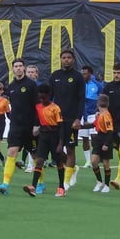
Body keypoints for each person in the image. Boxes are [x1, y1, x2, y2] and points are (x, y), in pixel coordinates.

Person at [0, 59, 38, 196]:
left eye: (20, 66)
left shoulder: (31, 85)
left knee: (35, 155)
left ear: (23, 68)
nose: (18, 68)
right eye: (15, 66)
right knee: (11, 153)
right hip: (16, 126)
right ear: (13, 69)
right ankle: (5, 185)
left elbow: (37, 106)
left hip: (30, 126)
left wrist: (37, 124)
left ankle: (40, 183)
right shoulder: (11, 86)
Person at [49, 48, 85, 189]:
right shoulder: (55, 76)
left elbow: (81, 99)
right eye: (64, 57)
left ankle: (66, 180)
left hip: (71, 119)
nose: (66, 60)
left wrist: (78, 118)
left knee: (70, 148)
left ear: (73, 60)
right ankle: (73, 167)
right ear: (61, 59)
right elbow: (49, 98)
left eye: (69, 57)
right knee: (56, 149)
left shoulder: (77, 77)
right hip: (56, 119)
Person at [23, 83, 66, 197]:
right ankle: (33, 186)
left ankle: (61, 187)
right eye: (40, 96)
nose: (41, 98)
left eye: (43, 96)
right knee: (40, 160)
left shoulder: (55, 108)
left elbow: (61, 127)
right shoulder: (38, 106)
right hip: (43, 136)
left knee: (59, 162)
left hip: (55, 136)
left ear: (49, 95)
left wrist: (61, 143)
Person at [87, 94, 114, 193]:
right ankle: (99, 181)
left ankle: (106, 185)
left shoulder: (106, 115)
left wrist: (106, 144)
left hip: (105, 138)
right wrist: (80, 127)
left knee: (106, 163)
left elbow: (110, 131)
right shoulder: (99, 115)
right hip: (98, 138)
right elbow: (93, 124)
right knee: (94, 161)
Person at [79, 65, 104, 169]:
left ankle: (97, 157)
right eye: (82, 73)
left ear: (90, 73)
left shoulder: (97, 85)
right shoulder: (79, 85)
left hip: (93, 114)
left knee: (94, 138)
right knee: (84, 139)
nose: (83, 75)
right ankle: (88, 161)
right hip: (82, 114)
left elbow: (101, 98)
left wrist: (99, 111)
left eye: (85, 73)